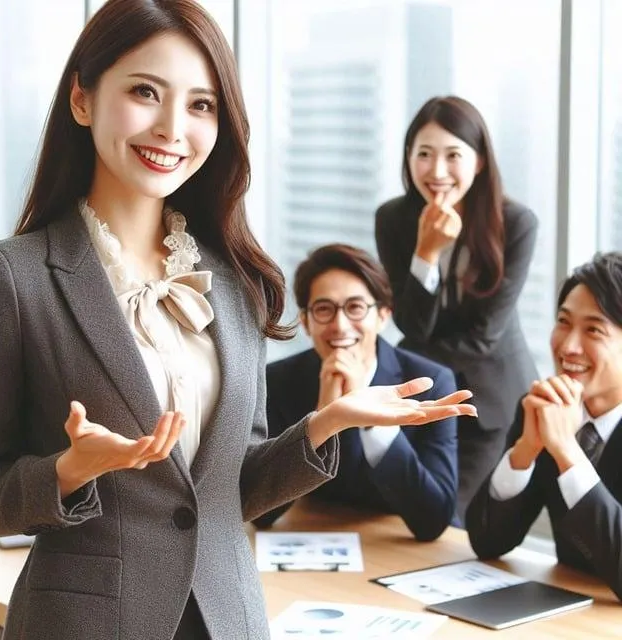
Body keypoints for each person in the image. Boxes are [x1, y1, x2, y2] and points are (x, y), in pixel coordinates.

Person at [0, 2, 477, 639]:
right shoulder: (12, 278)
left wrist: (329, 423)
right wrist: (68, 471)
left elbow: (229, 489)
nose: (171, 128)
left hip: (229, 618)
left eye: (201, 105)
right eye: (144, 92)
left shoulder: (234, 276)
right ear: (82, 98)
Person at [375, 95, 538, 519]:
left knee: (455, 520)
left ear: (480, 161)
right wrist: (426, 253)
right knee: (408, 513)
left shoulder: (515, 224)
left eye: (453, 155)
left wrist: (395, 359)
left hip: (490, 400)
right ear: (408, 158)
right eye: (424, 154)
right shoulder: (393, 219)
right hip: (426, 401)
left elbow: (483, 336)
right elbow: (411, 321)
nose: (438, 170)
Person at [253, 244, 459, 540]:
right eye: (324, 309)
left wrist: (369, 416)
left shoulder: (431, 382)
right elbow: (261, 513)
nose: (340, 325)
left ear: (383, 315)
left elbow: (434, 519)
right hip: (315, 536)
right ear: (306, 322)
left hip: (397, 547)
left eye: (355, 308)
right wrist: (322, 420)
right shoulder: (278, 380)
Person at [466, 252, 622, 601]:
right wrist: (525, 451)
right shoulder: (543, 409)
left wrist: (567, 452)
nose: (568, 346)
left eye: (593, 330)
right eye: (563, 322)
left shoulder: (563, 428)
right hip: (565, 607)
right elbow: (487, 541)